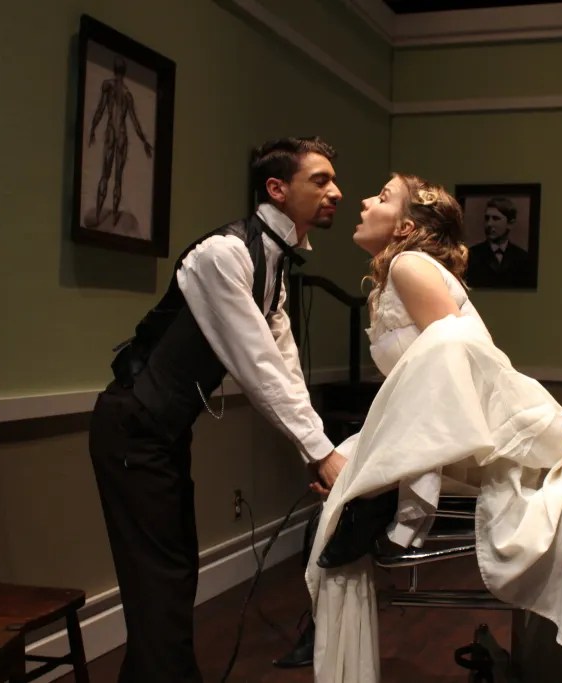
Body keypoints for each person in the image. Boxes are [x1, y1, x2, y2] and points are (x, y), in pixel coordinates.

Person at [303, 173, 562, 682]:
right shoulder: (394, 275)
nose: (364, 201)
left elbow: (452, 364)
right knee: (337, 497)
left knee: (345, 502)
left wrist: (392, 486)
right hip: (446, 422)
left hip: (477, 426)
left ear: (405, 226)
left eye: (383, 197)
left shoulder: (410, 265)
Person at [88, 136, 348, 683]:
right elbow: (257, 365)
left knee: (174, 571)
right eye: (320, 180)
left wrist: (316, 451)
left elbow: (285, 368)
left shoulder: (271, 262)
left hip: (163, 432)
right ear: (277, 189)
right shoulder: (223, 255)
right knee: (159, 579)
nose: (336, 192)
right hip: (132, 425)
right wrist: (321, 454)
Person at [87, 56, 154, 231]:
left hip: (111, 132)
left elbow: (101, 109)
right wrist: (144, 140)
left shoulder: (108, 87)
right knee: (117, 178)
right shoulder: (126, 94)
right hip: (121, 135)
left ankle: (101, 215)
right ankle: (113, 217)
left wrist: (93, 128)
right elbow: (134, 121)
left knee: (106, 174)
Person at [465, 196, 537, 288]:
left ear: (510, 223)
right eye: (487, 218)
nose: (489, 224)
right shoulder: (471, 255)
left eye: (496, 218)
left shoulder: (523, 258)